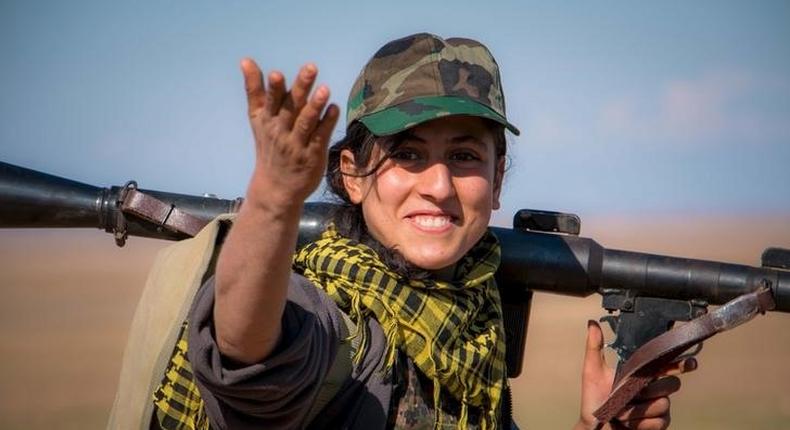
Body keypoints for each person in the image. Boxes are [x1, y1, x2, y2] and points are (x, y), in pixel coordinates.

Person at [147, 33, 693, 430]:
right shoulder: (330, 319)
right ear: (352, 175)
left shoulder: (471, 335)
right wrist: (272, 198)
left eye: (463, 156)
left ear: (497, 180)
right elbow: (245, 349)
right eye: (406, 155)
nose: (437, 184)